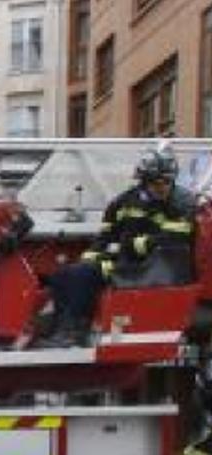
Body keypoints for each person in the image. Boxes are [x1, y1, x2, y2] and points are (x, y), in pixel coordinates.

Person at [35, 147, 198, 348]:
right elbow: (104, 236)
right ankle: (60, 330)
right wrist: (90, 257)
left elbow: (175, 238)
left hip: (155, 269)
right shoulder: (123, 203)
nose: (162, 187)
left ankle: (73, 334)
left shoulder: (183, 202)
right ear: (144, 181)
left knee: (83, 276)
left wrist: (140, 244)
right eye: (157, 182)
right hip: (125, 263)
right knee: (64, 275)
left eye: (167, 181)